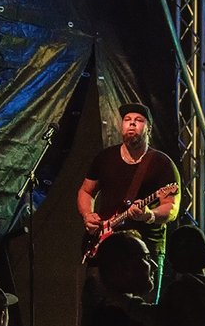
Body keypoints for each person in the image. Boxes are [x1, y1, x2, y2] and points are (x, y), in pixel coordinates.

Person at [77, 102, 180, 302]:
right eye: (127, 120)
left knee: (144, 311)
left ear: (148, 128)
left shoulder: (162, 163)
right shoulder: (105, 158)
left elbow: (171, 208)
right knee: (100, 307)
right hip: (107, 246)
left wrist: (149, 215)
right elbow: (86, 191)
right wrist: (88, 215)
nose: (132, 123)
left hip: (145, 250)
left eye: (139, 120)